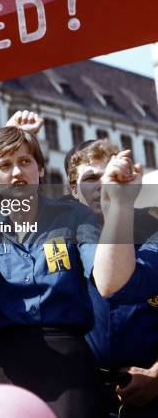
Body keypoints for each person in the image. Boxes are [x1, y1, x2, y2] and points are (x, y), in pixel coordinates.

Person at [0, 124, 105, 418]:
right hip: (4, 367)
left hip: (67, 364)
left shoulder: (74, 215)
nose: (17, 173)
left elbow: (101, 274)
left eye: (25, 161)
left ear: (40, 169)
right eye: (4, 165)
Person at [67, 140, 158, 417]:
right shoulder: (57, 237)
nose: (103, 184)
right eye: (91, 178)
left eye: (111, 173)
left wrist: (157, 374)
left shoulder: (154, 231)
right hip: (79, 392)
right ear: (73, 189)